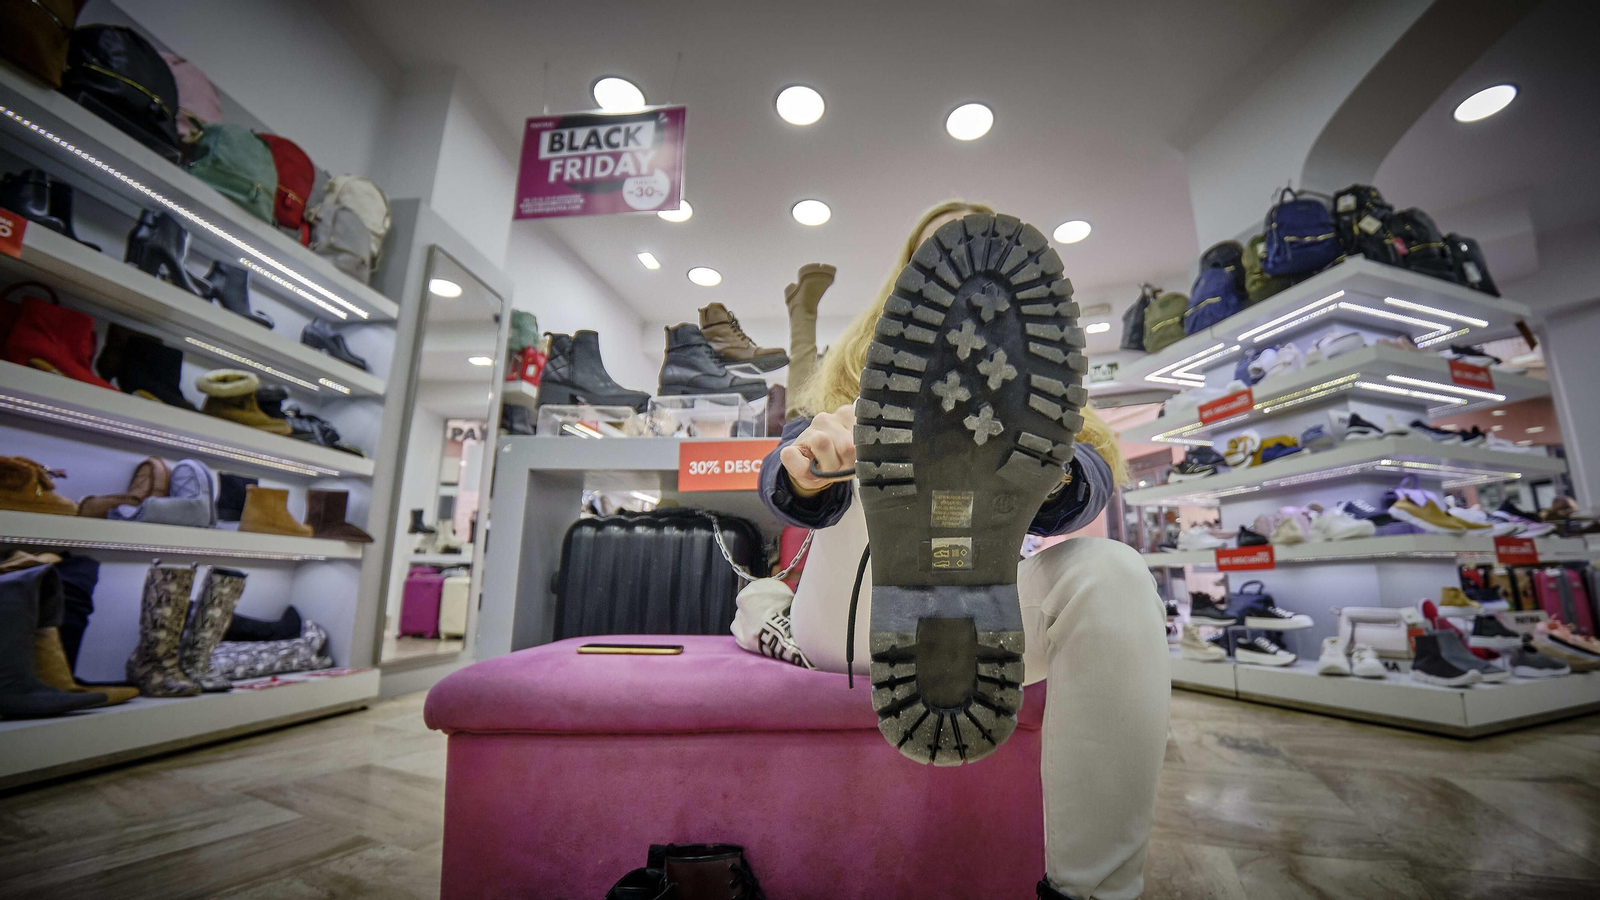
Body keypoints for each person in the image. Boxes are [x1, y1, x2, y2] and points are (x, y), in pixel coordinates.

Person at [758, 201, 1171, 900]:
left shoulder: (1045, 410)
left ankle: (1093, 894)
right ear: (905, 289)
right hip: (854, 618)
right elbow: (782, 477)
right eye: (938, 262)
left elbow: (1091, 481)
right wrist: (811, 462)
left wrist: (1046, 469)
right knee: (874, 447)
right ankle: (847, 553)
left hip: (985, 618)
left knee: (1114, 573)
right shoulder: (848, 390)